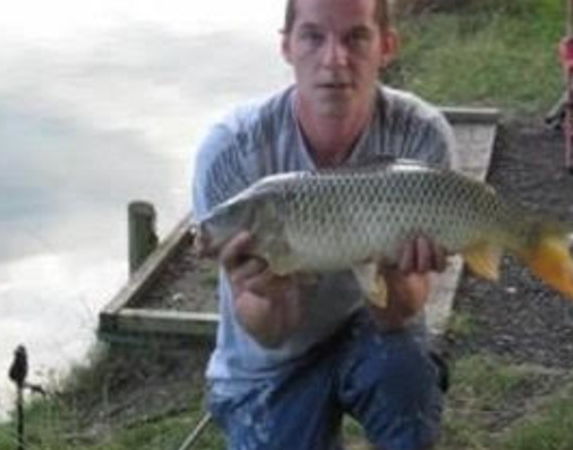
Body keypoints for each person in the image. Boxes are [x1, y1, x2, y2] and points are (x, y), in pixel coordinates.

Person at [191, 0, 456, 448]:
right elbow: (269, 332)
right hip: (268, 363)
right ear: (287, 47)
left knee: (405, 376)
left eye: (356, 37)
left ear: (387, 46)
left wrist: (396, 271)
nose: (334, 59)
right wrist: (274, 292)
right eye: (313, 37)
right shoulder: (230, 151)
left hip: (370, 326)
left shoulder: (422, 135)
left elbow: (400, 311)